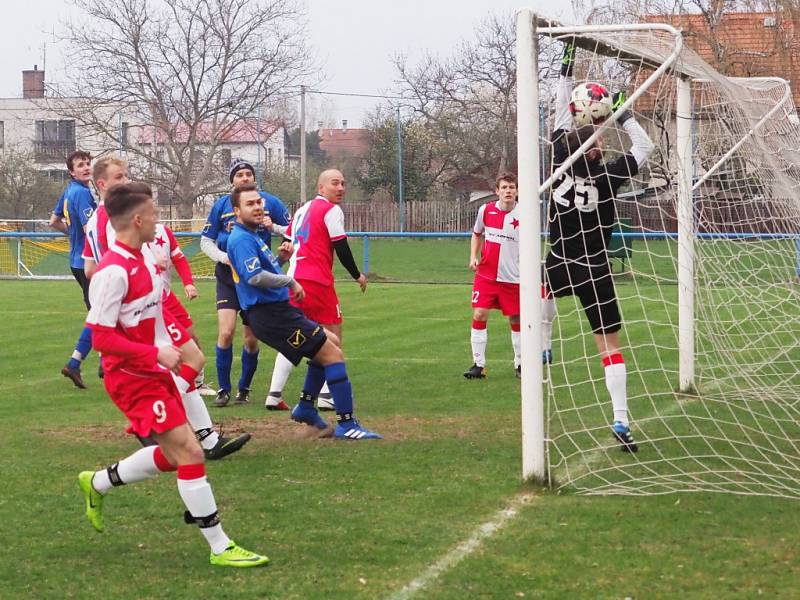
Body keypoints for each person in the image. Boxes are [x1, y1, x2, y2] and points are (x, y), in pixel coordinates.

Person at [78, 182, 268, 567]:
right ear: (137, 219)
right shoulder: (112, 272)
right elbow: (101, 337)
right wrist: (153, 352)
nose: (158, 220)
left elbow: (155, 311)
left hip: (152, 371)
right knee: (191, 451)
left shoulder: (144, 259)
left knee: (176, 453)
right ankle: (220, 545)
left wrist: (179, 344)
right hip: (131, 377)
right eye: (154, 213)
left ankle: (97, 482)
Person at [82, 157, 250, 460]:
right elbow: (97, 266)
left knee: (192, 357)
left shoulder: (125, 214)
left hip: (155, 297)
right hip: (140, 305)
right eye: (119, 177)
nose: (126, 180)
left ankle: (193, 433)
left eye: (127, 175)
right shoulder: (108, 219)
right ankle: (184, 431)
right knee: (188, 359)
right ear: (103, 185)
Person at [544, 41, 655, 453]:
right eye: (600, 143)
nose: (602, 145)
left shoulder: (558, 162)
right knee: (609, 346)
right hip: (596, 266)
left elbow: (558, 113)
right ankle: (621, 418)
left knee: (539, 292)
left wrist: (565, 69)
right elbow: (645, 148)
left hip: (560, 257)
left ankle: (541, 349)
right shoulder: (608, 177)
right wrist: (623, 113)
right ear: (596, 153)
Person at [226, 183, 381, 440]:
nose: (257, 207)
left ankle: (307, 407)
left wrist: (282, 261)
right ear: (236, 210)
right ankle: (346, 423)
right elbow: (253, 279)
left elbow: (258, 274)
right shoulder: (241, 239)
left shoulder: (250, 235)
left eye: (258, 202)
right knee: (332, 355)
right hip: (271, 316)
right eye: (250, 204)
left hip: (279, 311)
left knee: (330, 342)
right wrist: (289, 280)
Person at [265, 168, 367, 411]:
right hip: (317, 282)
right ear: (321, 188)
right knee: (333, 336)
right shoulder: (331, 210)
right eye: (335, 183)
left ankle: (274, 393)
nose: (341, 188)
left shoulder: (302, 209)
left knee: (296, 336)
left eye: (343, 183)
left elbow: (287, 242)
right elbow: (341, 246)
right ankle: (325, 394)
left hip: (293, 278)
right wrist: (357, 275)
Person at [200, 158, 290, 407]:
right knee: (226, 332)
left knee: (251, 339)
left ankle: (244, 388)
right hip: (229, 278)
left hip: (255, 280)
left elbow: (293, 229)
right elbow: (205, 240)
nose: (244, 177)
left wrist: (278, 230)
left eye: (248, 173)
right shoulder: (221, 206)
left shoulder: (270, 202)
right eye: (239, 175)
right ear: (232, 181)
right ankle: (224, 389)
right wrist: (224, 257)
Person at [463, 173, 522, 379]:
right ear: (497, 191)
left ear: (516, 191)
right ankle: (478, 365)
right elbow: (477, 233)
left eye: (512, 187)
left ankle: (521, 364)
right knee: (479, 314)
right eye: (504, 187)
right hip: (487, 275)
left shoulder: (524, 214)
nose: (508, 191)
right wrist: (473, 256)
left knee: (516, 318)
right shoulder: (485, 210)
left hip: (513, 278)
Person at [50, 150, 97, 388]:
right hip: (89, 262)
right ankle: (76, 363)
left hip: (77, 260)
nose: (86, 167)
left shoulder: (70, 191)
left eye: (88, 163)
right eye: (80, 165)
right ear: (71, 171)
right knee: (99, 313)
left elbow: (54, 220)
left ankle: (102, 362)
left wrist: (73, 235)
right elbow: (92, 228)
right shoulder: (81, 193)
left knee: (100, 311)